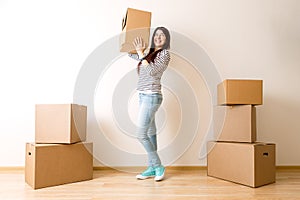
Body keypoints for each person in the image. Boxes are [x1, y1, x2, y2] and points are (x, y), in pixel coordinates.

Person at [128, 27, 171, 181]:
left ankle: (158, 165)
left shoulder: (164, 54)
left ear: (167, 40)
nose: (159, 37)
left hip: (152, 97)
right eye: (157, 35)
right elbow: (130, 53)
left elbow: (152, 71)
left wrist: (141, 54)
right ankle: (152, 168)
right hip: (142, 95)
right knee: (151, 133)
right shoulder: (148, 53)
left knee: (140, 134)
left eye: (162, 35)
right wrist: (131, 41)